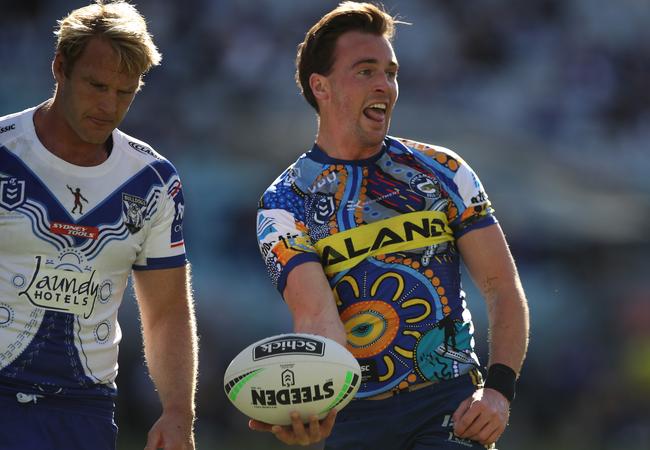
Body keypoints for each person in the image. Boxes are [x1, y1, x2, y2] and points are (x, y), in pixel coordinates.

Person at [253, 2, 529, 449]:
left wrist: (498, 390)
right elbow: (318, 319)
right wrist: (313, 401)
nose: (385, 85)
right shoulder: (284, 202)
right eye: (365, 71)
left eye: (391, 72)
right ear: (319, 86)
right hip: (353, 418)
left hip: (449, 407)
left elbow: (501, 285)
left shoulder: (445, 170)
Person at [0, 1, 198, 449]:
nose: (109, 105)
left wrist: (177, 413)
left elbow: (166, 311)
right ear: (60, 68)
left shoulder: (154, 181)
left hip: (85, 411)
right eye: (97, 85)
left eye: (125, 92)